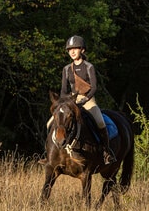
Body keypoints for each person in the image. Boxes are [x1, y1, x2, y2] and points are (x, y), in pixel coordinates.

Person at [41, 35, 116, 165]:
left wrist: (84, 100)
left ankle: (106, 152)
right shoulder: (66, 69)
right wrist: (64, 103)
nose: (72, 51)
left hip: (87, 99)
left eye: (75, 48)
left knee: (100, 121)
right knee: (49, 124)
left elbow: (93, 87)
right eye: (70, 49)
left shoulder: (89, 67)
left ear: (82, 50)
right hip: (70, 100)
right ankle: (47, 154)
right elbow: (63, 91)